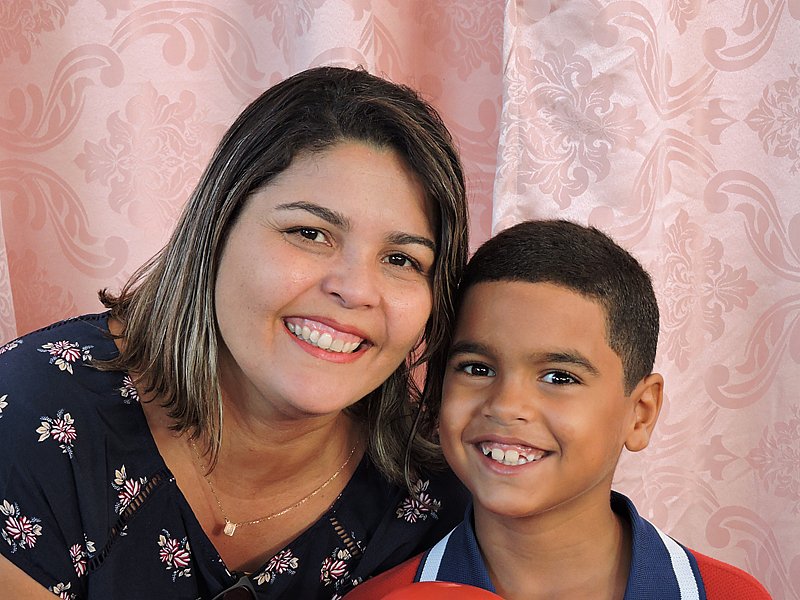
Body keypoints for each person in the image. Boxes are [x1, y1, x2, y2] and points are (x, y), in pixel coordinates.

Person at [0, 66, 472, 599]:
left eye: (402, 259)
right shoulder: (33, 416)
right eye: (310, 233)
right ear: (217, 227)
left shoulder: (433, 493)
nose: (356, 290)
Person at [346, 220, 772, 599]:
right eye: (477, 368)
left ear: (641, 413)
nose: (506, 406)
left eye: (559, 377)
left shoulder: (731, 595)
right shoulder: (382, 598)